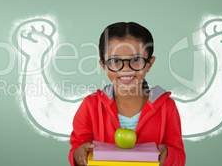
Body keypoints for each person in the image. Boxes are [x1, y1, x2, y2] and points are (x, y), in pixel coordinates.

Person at [68, 22, 186, 166]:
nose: (125, 69)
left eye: (136, 60)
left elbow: (179, 157)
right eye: (115, 61)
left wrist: (168, 155)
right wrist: (78, 154)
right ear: (103, 65)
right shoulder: (90, 105)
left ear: (149, 64)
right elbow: (76, 149)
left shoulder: (167, 107)